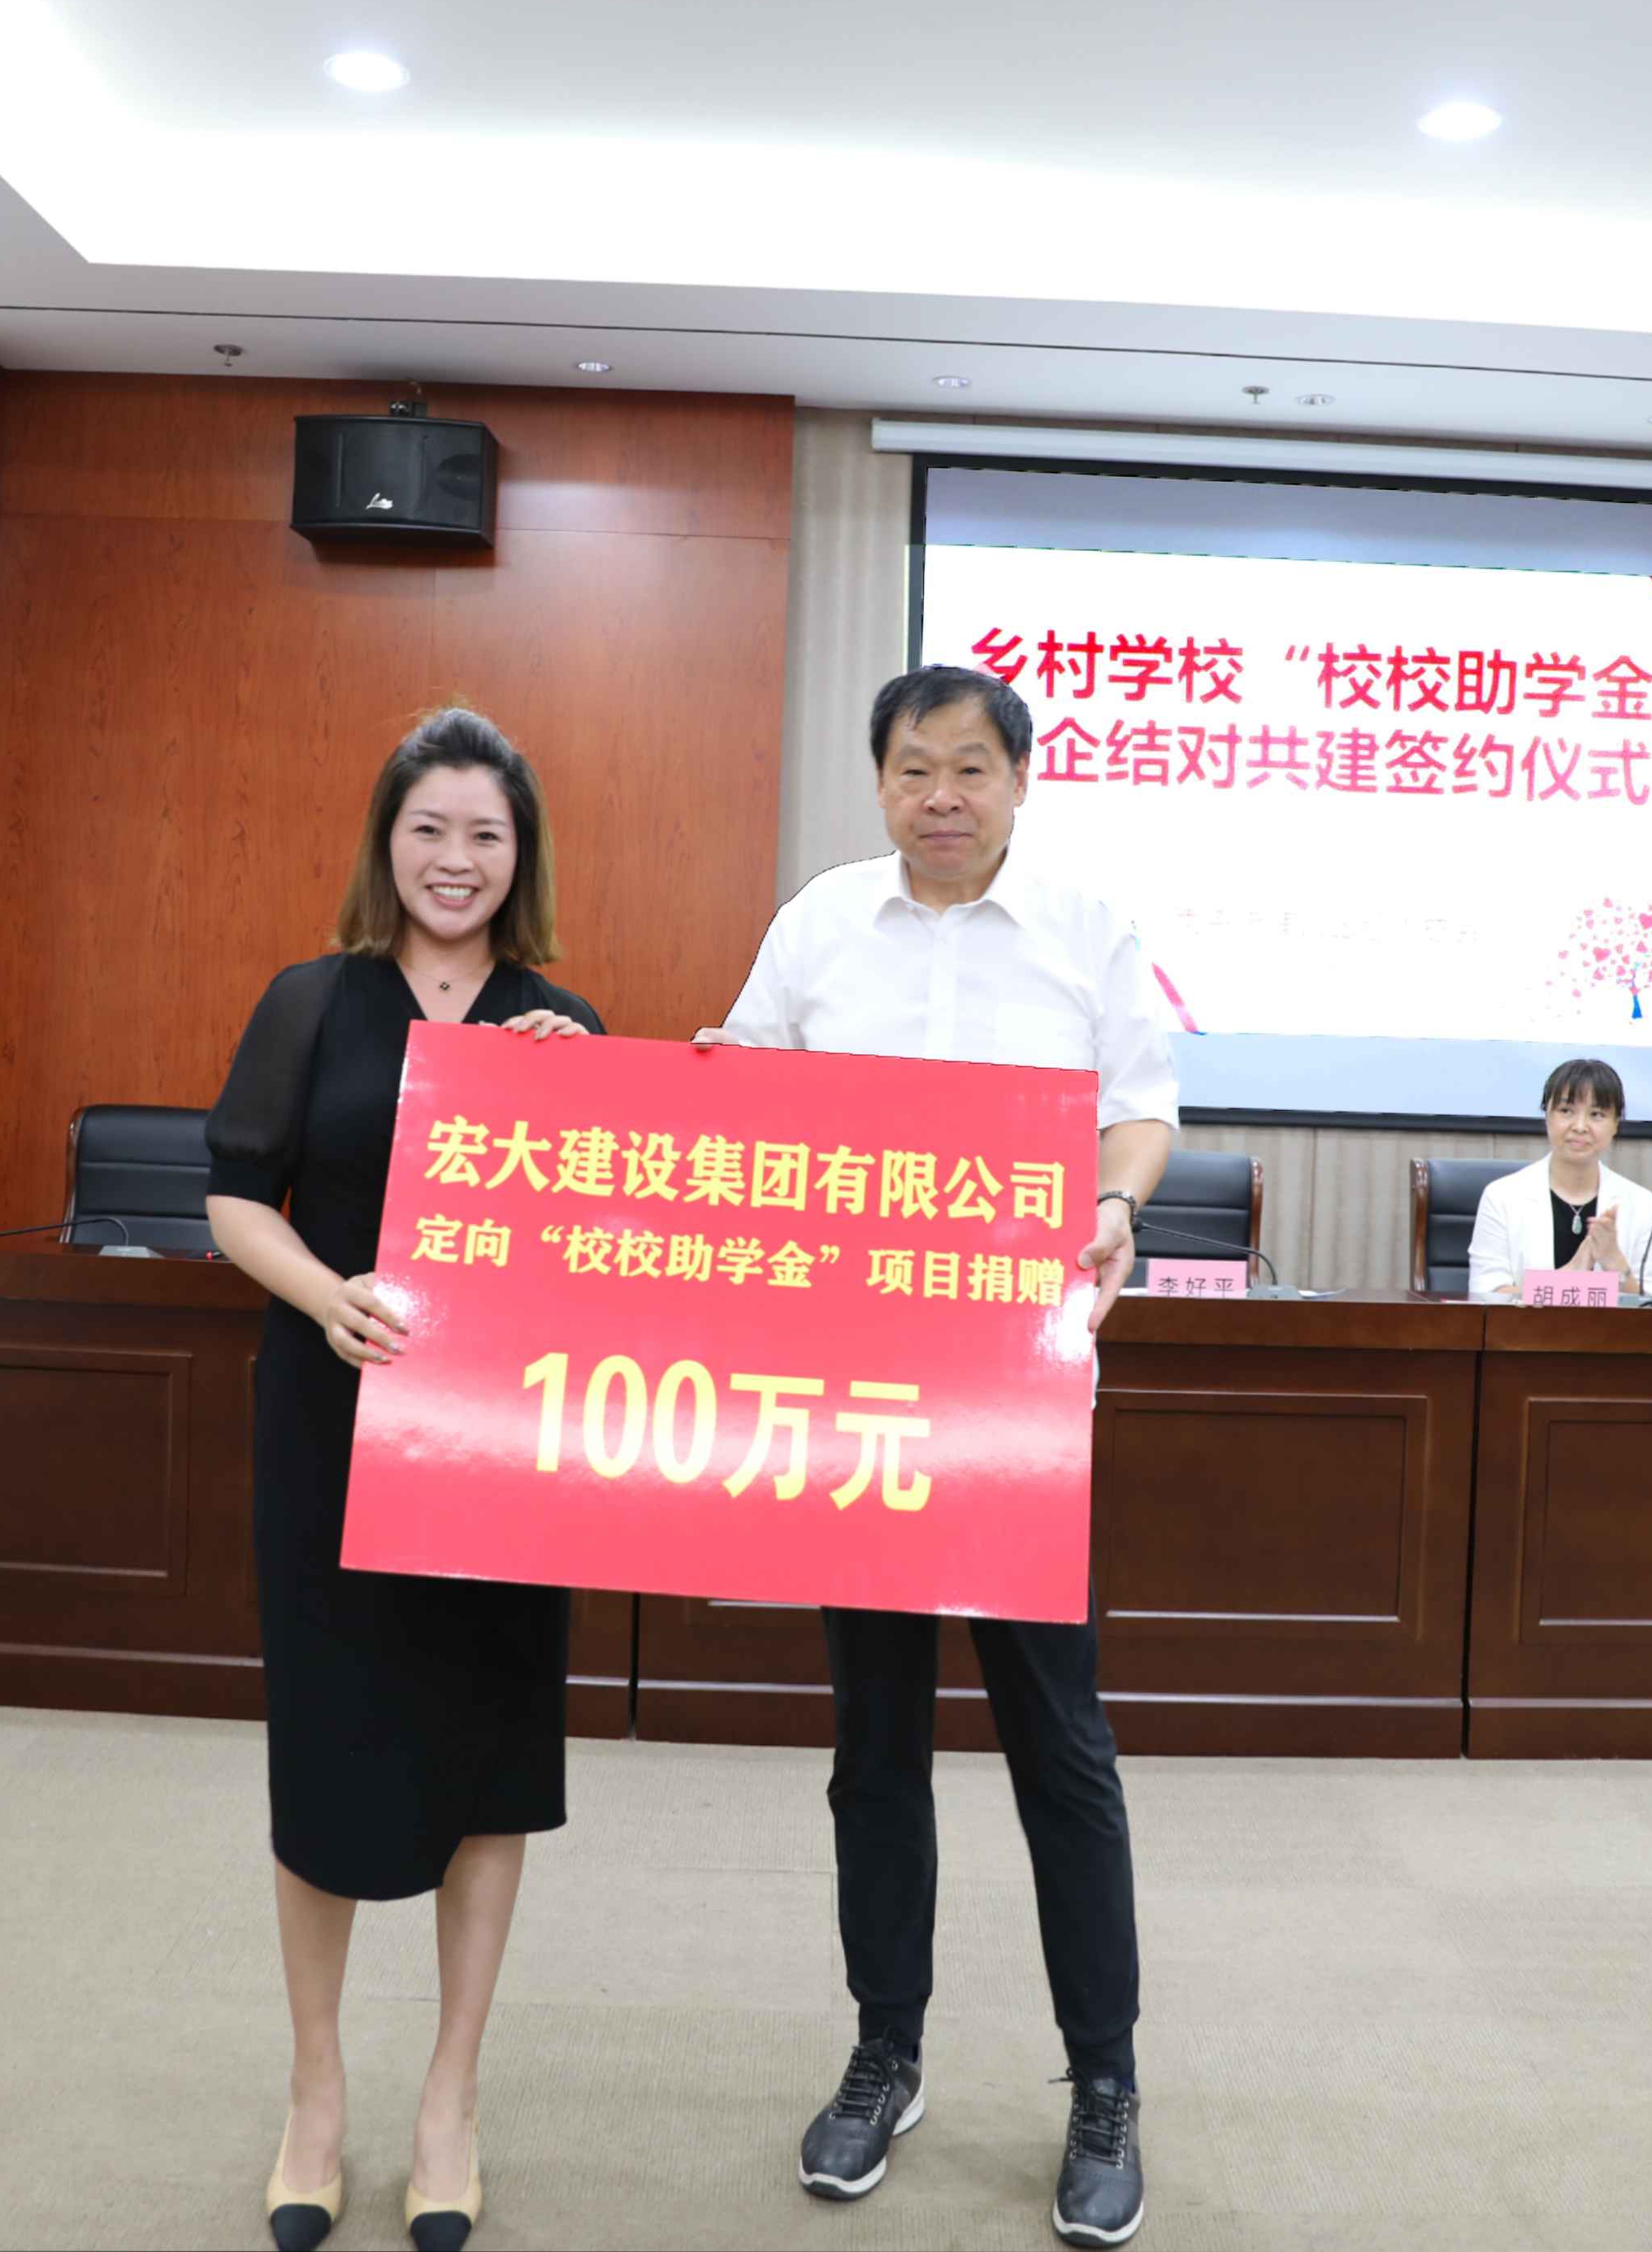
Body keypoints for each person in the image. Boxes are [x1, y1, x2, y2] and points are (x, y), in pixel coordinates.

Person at [698, 663, 1173, 2247]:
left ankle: (1102, 2083)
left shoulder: (1086, 926)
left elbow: (1141, 1110)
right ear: (880, 783)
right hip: (858, 1402)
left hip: (1017, 1404)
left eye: (971, 766)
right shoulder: (820, 923)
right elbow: (743, 1083)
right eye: (914, 768)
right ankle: (884, 2051)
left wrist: (1113, 1202)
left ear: (1019, 781)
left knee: (1061, 1748)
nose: (943, 795)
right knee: (874, 1743)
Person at [204, 709, 601, 2252]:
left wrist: (584, 1097)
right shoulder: (312, 1000)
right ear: (387, 840)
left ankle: (451, 2099)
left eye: (485, 833)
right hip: (331, 1416)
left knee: (486, 1753)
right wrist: (328, 1297)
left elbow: (610, 1243)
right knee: (327, 1748)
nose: (455, 857)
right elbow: (235, 1196)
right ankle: (315, 2094)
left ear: (520, 857)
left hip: (500, 1441)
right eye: (429, 826)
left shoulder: (558, 1021)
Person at [1467, 1057, 1652, 1301]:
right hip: (1524, 1328)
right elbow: (1485, 1297)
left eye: (1597, 1114)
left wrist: (1614, 1262)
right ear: (1547, 1116)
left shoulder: (1642, 1204)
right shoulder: (1501, 1197)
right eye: (1566, 1111)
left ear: (1616, 1125)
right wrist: (1570, 1274)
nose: (1580, 1126)